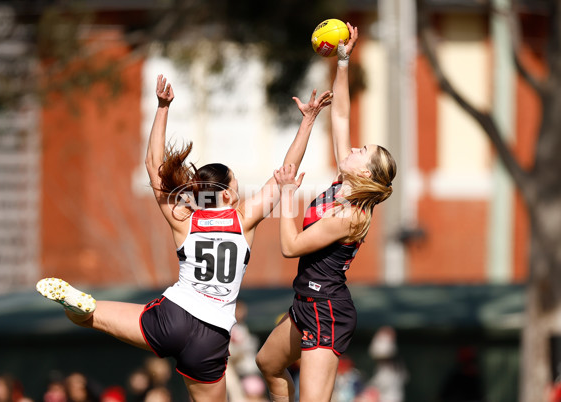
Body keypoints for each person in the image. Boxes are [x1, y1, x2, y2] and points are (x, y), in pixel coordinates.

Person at [36, 74, 332, 402]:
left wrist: (162, 108)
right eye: (235, 182)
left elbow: (153, 166)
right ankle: (83, 309)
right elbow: (286, 171)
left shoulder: (184, 218)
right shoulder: (244, 218)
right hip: (211, 335)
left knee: (89, 315)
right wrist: (308, 120)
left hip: (172, 316)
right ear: (230, 192)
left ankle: (83, 307)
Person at [255, 22, 397, 402]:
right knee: (268, 363)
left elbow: (291, 246)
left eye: (361, 151)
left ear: (365, 173)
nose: (352, 149)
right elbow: (341, 117)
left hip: (326, 313)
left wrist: (287, 195)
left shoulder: (350, 216)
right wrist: (344, 60)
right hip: (305, 304)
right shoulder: (342, 182)